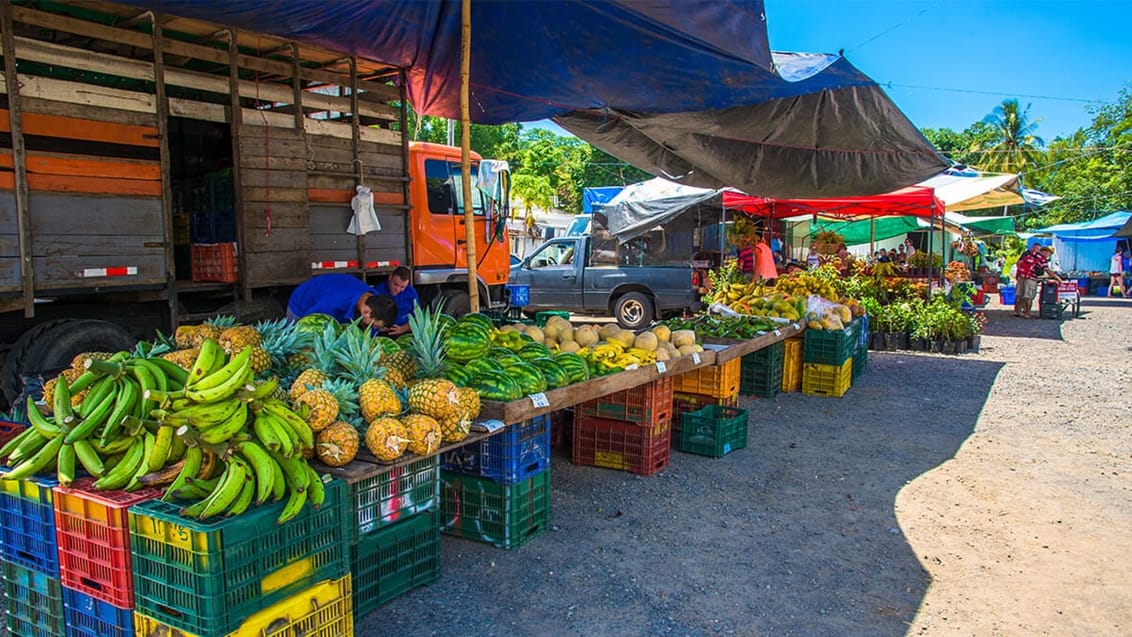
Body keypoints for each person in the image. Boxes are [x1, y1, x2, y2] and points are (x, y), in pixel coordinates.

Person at [287, 273, 397, 330]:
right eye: (373, 325)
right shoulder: (333, 304)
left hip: (333, 292)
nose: (373, 328)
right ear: (366, 312)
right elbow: (308, 324)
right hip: (302, 305)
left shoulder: (374, 298)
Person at [373, 266, 420, 336]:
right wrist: (378, 327)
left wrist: (403, 329)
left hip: (404, 332)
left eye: (402, 287)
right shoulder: (378, 291)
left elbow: (418, 318)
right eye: (395, 284)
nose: (397, 289)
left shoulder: (411, 292)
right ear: (390, 277)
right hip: (381, 333)